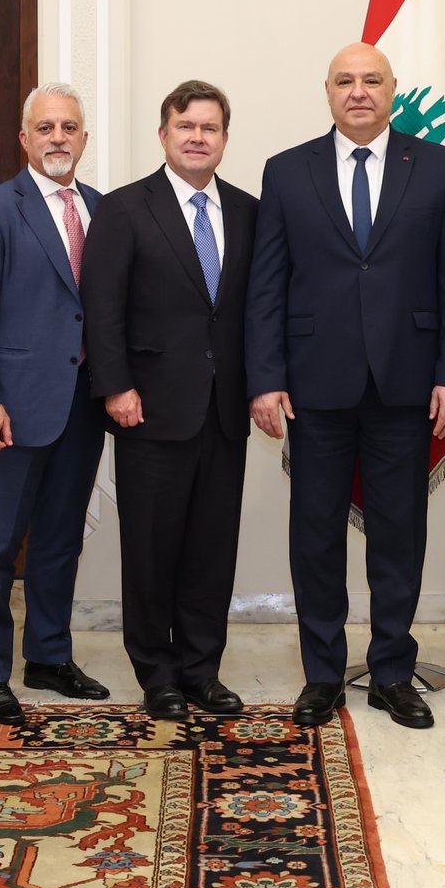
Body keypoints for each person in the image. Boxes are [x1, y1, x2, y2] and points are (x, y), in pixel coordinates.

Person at [245, 43, 445, 732]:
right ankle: (322, 675)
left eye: (371, 80)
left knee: (398, 534)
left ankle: (393, 673)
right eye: (344, 80)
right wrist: (266, 378)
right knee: (315, 534)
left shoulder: (438, 167)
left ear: (392, 89)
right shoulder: (287, 171)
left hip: (408, 383)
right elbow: (266, 285)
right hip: (314, 384)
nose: (358, 92)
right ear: (327, 91)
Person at [83, 81, 258, 719]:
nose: (197, 138)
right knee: (152, 550)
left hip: (225, 410)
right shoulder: (125, 208)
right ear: (163, 135)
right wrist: (115, 385)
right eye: (186, 126)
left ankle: (202, 671)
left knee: (212, 549)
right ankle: (157, 673)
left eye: (209, 128)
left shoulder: (248, 211)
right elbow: (102, 306)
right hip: (149, 408)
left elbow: (255, 309)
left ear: (225, 139)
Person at [0, 84, 110, 724]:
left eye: (69, 127)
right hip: (11, 408)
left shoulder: (101, 208)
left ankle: (48, 656)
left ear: (84, 139)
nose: (57, 138)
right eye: (45, 128)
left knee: (60, 540)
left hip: (82, 405)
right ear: (24, 138)